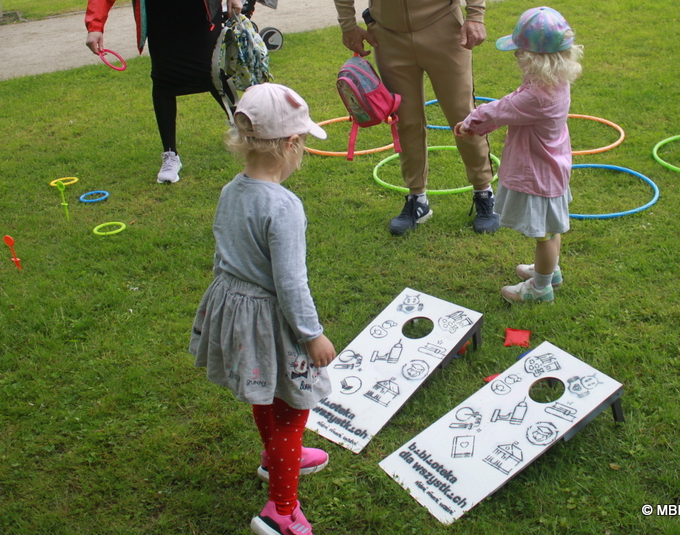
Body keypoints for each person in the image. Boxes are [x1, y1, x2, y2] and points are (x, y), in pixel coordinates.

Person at [189, 83, 335, 535]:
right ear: (291, 145)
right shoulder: (284, 207)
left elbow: (222, 253)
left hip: (233, 307)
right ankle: (282, 510)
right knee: (294, 408)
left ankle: (276, 460)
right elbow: (291, 283)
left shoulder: (231, 190)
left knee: (265, 391)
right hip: (271, 319)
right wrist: (312, 335)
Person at [334, 0, 500, 235]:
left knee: (462, 115)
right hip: (388, 33)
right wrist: (348, 25)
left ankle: (484, 192)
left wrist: (475, 15)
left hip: (442, 26)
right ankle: (417, 198)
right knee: (406, 120)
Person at [455, 6, 584, 303]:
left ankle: (540, 288)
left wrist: (470, 124)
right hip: (553, 167)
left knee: (544, 235)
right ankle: (549, 272)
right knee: (551, 230)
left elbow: (499, 109)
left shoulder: (536, 96)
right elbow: (509, 110)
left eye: (520, 54)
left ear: (533, 61)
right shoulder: (554, 83)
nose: (516, 58)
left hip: (539, 173)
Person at [85, 0, 243, 184]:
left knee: (213, 72)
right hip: (160, 15)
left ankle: (243, 127)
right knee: (164, 79)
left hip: (200, 13)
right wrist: (95, 26)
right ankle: (170, 154)